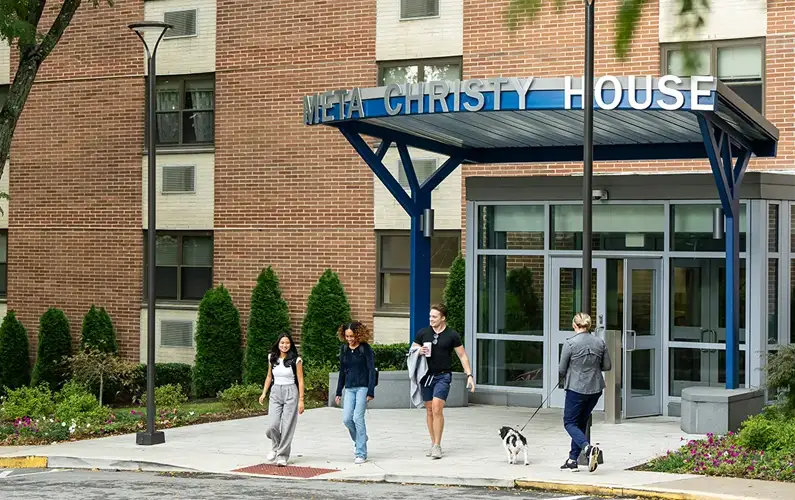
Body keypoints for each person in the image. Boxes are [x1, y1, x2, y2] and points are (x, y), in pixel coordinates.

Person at [411, 303, 475, 460]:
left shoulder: (452, 335)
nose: (431, 319)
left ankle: (438, 445)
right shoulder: (423, 333)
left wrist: (469, 375)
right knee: (429, 410)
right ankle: (433, 443)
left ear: (443, 318)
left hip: (443, 376)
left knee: (437, 407)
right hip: (426, 375)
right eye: (430, 316)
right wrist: (419, 350)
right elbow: (412, 349)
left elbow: (462, 355)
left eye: (434, 317)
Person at [558, 312, 612, 473]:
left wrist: (570, 373)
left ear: (574, 325)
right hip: (595, 389)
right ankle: (572, 460)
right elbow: (607, 366)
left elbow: (561, 369)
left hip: (576, 388)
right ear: (588, 326)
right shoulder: (599, 342)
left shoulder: (570, 343)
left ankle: (588, 449)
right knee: (580, 422)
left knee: (569, 422)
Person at [259, 333, 305, 467]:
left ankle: (282, 455)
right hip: (275, 391)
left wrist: (301, 400)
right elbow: (269, 376)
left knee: (287, 426)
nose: (284, 345)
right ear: (278, 344)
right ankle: (276, 447)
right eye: (282, 343)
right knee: (273, 425)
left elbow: (301, 380)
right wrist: (263, 393)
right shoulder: (271, 358)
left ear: (290, 345)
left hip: (291, 391)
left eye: (287, 343)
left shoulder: (296, 360)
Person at [334, 321, 376, 464]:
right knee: (347, 419)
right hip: (349, 388)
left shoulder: (365, 349)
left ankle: (361, 453)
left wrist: (371, 391)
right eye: (347, 336)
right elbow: (342, 371)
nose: (350, 339)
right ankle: (361, 438)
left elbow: (371, 370)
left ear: (358, 335)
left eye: (352, 336)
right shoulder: (344, 349)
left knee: (358, 418)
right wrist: (338, 391)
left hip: (362, 387)